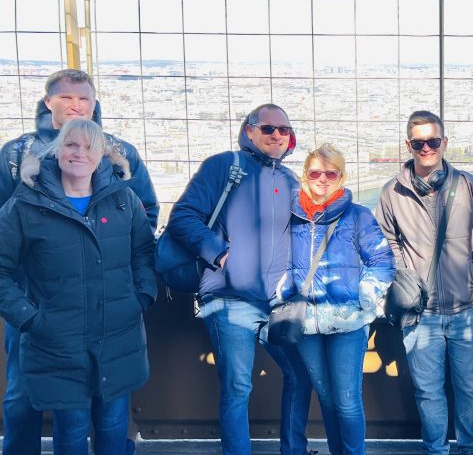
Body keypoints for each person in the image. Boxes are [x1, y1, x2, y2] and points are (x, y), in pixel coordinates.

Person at [0, 68, 158, 455]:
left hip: (108, 304)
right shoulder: (19, 154)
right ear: (48, 101)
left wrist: (137, 290)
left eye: (83, 98)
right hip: (41, 301)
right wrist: (27, 308)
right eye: (66, 97)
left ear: (94, 103)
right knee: (24, 397)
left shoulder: (120, 152)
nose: (75, 105)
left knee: (110, 402)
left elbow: (142, 219)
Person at [163, 104, 313, 455]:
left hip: (275, 302)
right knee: (238, 386)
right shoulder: (224, 166)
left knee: (300, 374)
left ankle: (294, 449)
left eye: (283, 130)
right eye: (267, 128)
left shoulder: (290, 181)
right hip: (228, 298)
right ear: (249, 131)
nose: (277, 135)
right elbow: (183, 216)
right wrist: (219, 252)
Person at [374, 110, 473, 455]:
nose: (426, 147)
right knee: (428, 390)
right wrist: (405, 276)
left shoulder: (470, 186)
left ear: (444, 142)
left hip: (465, 308)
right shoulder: (392, 193)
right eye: (419, 142)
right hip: (420, 311)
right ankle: (436, 449)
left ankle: (472, 449)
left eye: (432, 141)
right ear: (409, 145)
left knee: (472, 388)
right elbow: (386, 241)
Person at [286, 143, 395, 455]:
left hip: (347, 321)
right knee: (326, 396)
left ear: (342, 176)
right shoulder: (291, 218)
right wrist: (282, 295)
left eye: (330, 173)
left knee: (347, 400)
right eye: (315, 173)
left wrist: (365, 296)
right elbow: (276, 264)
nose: (322, 179)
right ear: (305, 175)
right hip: (305, 322)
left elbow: (382, 262)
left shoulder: (358, 216)